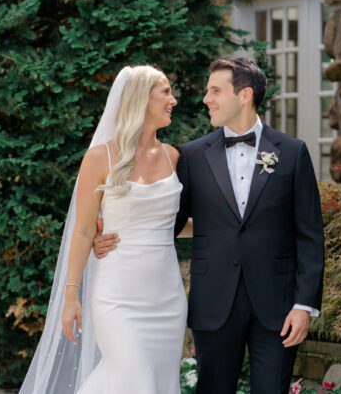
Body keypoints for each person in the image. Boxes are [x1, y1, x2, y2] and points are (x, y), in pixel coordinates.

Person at [94, 57, 325, 393]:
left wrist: (304, 306)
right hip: (214, 305)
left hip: (277, 308)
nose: (206, 99)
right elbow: (165, 222)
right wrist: (110, 232)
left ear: (244, 96)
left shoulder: (292, 153)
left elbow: (309, 235)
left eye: (215, 91)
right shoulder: (191, 156)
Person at [20, 65, 187, 394]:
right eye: (166, 92)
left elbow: (173, 225)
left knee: (156, 384)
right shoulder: (99, 158)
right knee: (134, 377)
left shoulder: (173, 157)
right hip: (118, 296)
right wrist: (71, 295)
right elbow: (83, 231)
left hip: (167, 299)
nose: (174, 100)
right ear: (141, 98)